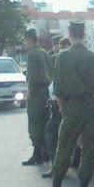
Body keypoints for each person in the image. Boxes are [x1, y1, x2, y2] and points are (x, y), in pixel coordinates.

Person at [43, 22, 94, 187]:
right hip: (89, 108)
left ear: (70, 34)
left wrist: (64, 109)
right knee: (88, 152)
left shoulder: (63, 56)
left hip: (70, 108)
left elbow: (58, 89)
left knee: (63, 148)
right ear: (84, 34)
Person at [42, 37, 71, 178]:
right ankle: (58, 166)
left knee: (53, 136)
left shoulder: (63, 60)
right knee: (58, 137)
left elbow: (60, 88)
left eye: (61, 46)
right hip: (58, 104)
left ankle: (57, 168)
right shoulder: (61, 60)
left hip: (62, 107)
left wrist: (58, 105)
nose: (58, 49)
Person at [23, 29, 52, 166]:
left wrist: (30, 93)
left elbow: (32, 77)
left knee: (35, 124)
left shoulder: (32, 54)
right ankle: (45, 153)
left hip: (37, 93)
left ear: (30, 39)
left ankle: (37, 154)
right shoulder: (44, 52)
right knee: (45, 123)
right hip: (47, 92)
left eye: (26, 40)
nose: (25, 43)